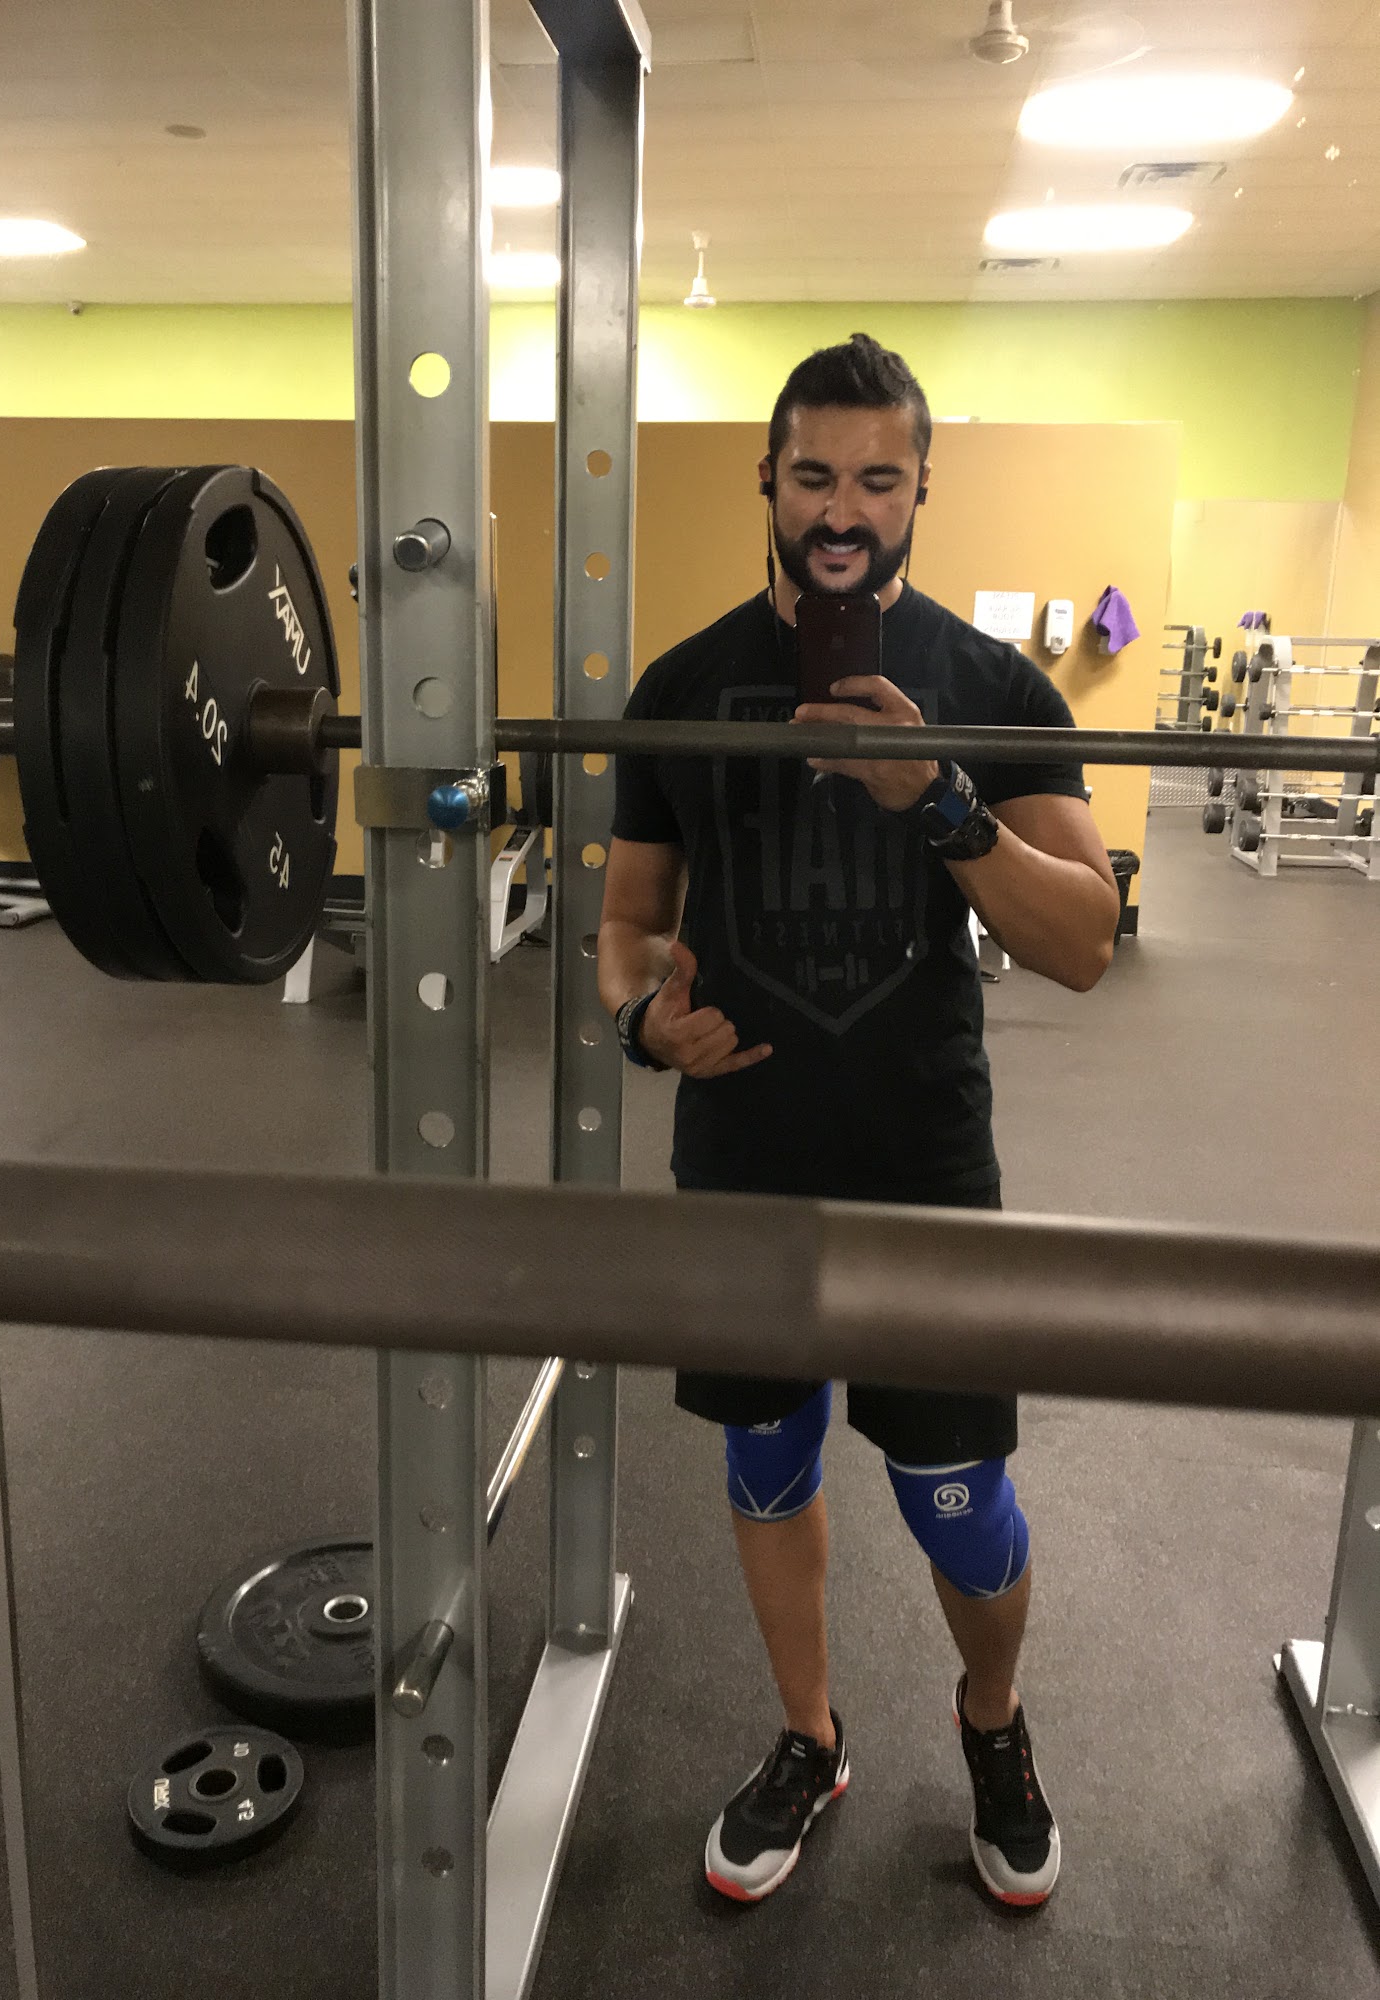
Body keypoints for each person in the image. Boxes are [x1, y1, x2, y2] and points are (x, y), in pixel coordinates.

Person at [596, 333, 1120, 1911]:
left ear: (920, 490)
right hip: (744, 1157)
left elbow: (1084, 941)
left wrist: (942, 800)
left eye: (878, 480)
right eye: (815, 475)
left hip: (919, 1162)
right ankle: (809, 1739)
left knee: (959, 1502)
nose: (843, 510)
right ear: (766, 476)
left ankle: (993, 1719)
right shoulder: (681, 687)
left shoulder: (995, 686)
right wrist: (639, 1020)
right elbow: (626, 926)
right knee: (768, 1464)